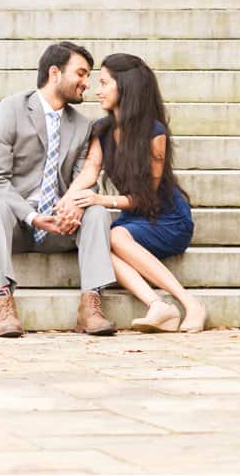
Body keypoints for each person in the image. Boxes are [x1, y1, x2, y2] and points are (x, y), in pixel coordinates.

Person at [0, 42, 117, 338]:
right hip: (15, 224)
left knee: (97, 211)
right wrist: (32, 216)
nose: (86, 83)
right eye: (81, 73)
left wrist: (72, 206)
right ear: (54, 73)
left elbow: (84, 179)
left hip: (60, 225)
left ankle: (90, 305)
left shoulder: (82, 125)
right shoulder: (10, 109)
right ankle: (4, 303)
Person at [60, 53, 206, 333]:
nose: (97, 90)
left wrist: (102, 200)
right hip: (133, 220)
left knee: (113, 235)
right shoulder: (101, 130)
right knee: (101, 242)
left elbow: (147, 197)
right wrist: (67, 200)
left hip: (166, 218)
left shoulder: (154, 132)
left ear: (124, 87)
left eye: (104, 83)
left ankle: (191, 304)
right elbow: (90, 171)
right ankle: (158, 306)